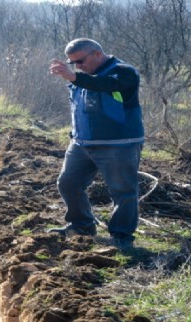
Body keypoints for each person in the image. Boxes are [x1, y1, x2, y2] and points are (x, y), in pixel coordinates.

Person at [48, 38, 144, 250]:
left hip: (118, 144)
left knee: (122, 190)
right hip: (82, 144)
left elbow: (108, 85)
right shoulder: (83, 78)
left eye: (80, 61)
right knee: (68, 183)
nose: (78, 67)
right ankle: (82, 226)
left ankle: (122, 236)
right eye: (73, 64)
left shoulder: (123, 72)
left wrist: (74, 77)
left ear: (97, 54)